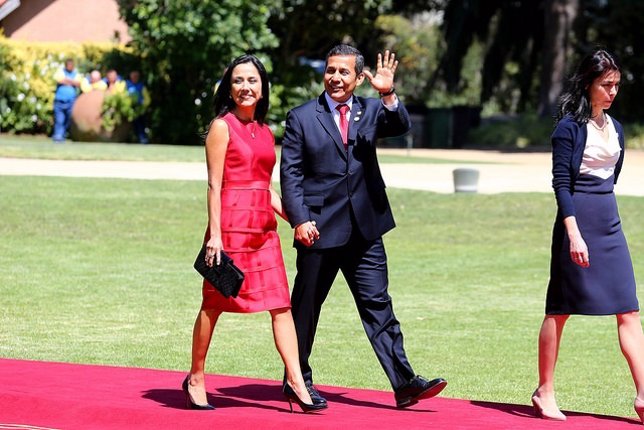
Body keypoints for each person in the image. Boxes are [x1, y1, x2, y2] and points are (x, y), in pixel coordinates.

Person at [279, 44, 447, 408]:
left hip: (366, 230)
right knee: (306, 308)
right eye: (330, 70)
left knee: (378, 305)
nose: (335, 77)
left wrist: (387, 92)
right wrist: (300, 219)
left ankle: (404, 384)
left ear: (358, 78)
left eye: (343, 72)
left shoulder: (372, 110)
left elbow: (400, 125)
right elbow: (290, 175)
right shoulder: (302, 117)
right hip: (318, 230)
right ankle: (297, 379)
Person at [184, 54, 326, 413]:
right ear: (229, 88)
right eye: (238, 81)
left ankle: (296, 382)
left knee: (281, 306)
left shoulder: (264, 132)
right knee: (213, 306)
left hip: (263, 232)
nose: (245, 87)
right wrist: (214, 236)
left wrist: (295, 220)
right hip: (229, 229)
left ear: (262, 89)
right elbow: (214, 185)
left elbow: (265, 188)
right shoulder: (222, 127)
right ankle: (196, 377)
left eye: (252, 81)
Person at [532, 48, 644, 423]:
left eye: (616, 85)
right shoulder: (568, 127)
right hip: (575, 223)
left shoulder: (616, 128)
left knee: (628, 308)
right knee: (560, 309)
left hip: (609, 224)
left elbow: (611, 179)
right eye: (606, 85)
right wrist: (574, 233)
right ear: (588, 84)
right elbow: (562, 184)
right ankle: (544, 390)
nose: (612, 92)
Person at [52, 58, 81, 142]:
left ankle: (63, 135)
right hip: (59, 100)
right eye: (68, 65)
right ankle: (58, 136)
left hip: (71, 101)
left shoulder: (76, 74)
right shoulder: (60, 72)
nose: (70, 66)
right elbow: (60, 80)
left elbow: (78, 83)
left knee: (68, 120)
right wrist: (71, 82)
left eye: (71, 65)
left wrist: (67, 80)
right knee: (59, 120)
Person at [125, 70, 151, 144]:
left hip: (140, 110)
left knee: (140, 124)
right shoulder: (126, 85)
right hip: (129, 110)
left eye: (136, 77)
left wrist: (142, 103)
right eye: (133, 76)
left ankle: (143, 138)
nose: (134, 78)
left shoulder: (141, 86)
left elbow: (147, 99)